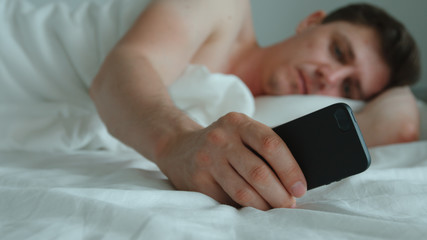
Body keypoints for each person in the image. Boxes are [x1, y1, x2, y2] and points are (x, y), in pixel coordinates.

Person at [90, 0, 421, 210]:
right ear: (311, 22)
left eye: (348, 86)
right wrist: (176, 142)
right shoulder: (223, 7)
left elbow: (404, 119)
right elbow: (119, 71)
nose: (328, 77)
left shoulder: (261, 118)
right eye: (337, 51)